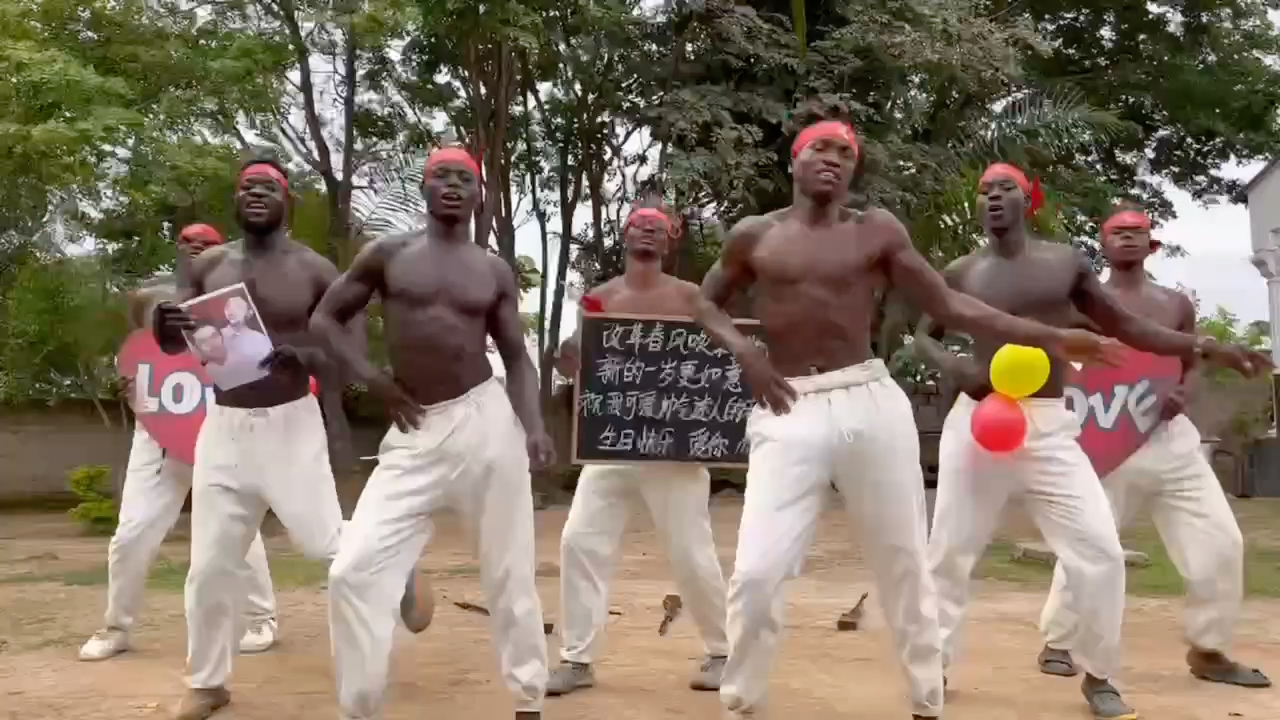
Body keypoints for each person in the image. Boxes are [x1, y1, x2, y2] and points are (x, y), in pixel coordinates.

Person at [684, 102, 1128, 720]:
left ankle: (927, 698)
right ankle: (741, 700)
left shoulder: (877, 230)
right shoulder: (754, 234)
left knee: (904, 564)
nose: (833, 161)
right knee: (758, 571)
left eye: (846, 155)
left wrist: (1054, 338)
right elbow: (704, 305)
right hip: (788, 405)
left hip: (869, 400)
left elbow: (949, 304)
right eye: (822, 149)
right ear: (796, 158)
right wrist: (745, 355)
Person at [914, 165, 1271, 720]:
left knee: (1100, 553)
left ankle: (1099, 674)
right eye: (984, 191)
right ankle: (930, 664)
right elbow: (918, 334)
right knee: (949, 551)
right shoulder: (961, 271)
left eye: (1004, 188)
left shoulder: (1064, 263)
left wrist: (1206, 346)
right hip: (979, 419)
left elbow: (1129, 327)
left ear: (1028, 199)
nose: (993, 198)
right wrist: (953, 367)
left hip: (1051, 422)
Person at [151, 159, 424, 720]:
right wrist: (164, 327)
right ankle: (207, 683)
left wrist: (306, 354)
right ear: (235, 198)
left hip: (289, 424)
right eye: (246, 186)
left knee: (326, 545)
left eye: (268, 187)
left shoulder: (316, 270)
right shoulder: (207, 265)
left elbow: (347, 354)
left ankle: (395, 567)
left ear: (287, 200)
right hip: (223, 430)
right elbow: (175, 343)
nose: (255, 193)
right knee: (209, 566)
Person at [311, 145, 552, 720]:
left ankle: (528, 700)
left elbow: (517, 357)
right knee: (353, 568)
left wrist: (534, 426)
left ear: (478, 195)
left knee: (509, 572)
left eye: (463, 178)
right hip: (414, 426)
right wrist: (372, 379)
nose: (451, 185)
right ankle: (360, 705)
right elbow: (325, 317)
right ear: (423, 188)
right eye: (440, 176)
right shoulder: (388, 255)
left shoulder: (492, 270)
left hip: (485, 421)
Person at [1036, 204, 1271, 689]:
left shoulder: (1175, 304)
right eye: (1117, 232)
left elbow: (1188, 358)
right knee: (1090, 542)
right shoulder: (1084, 301)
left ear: (1152, 245)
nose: (1127, 238)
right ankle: (1058, 640)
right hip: (1105, 437)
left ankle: (1209, 649)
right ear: (1102, 244)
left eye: (1136, 232)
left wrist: (1183, 390)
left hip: (1172, 442)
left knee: (1222, 543)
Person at [547, 199, 729, 696]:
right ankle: (577, 660)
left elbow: (722, 359)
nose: (648, 232)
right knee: (579, 541)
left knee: (691, 552)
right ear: (625, 236)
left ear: (670, 242)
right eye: (639, 225)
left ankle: (724, 651)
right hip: (611, 443)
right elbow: (576, 361)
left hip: (674, 447)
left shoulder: (690, 297)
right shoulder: (598, 298)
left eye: (659, 227)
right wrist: (567, 359)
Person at [80, 224, 279, 663]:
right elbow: (139, 353)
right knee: (131, 535)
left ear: (223, 252)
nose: (196, 248)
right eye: (188, 242)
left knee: (241, 534)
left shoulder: (239, 303)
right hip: (158, 435)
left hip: (223, 430)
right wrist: (127, 381)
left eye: (207, 244)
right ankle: (116, 627)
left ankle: (262, 618)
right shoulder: (147, 297)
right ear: (177, 249)